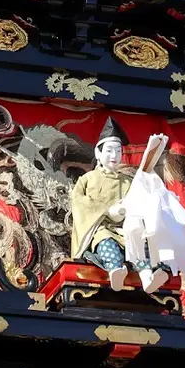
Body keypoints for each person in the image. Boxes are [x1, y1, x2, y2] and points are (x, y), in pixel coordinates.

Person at [119, 133, 185, 293]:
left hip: (157, 232)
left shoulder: (160, 194)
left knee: (163, 254)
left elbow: (145, 171)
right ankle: (148, 278)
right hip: (139, 232)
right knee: (140, 255)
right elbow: (142, 172)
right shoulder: (135, 188)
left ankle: (160, 274)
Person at [70, 117, 133, 290]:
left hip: (125, 231)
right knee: (106, 242)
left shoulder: (128, 181)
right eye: (109, 151)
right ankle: (115, 270)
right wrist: (106, 211)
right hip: (98, 229)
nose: (114, 156)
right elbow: (78, 201)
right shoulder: (87, 179)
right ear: (98, 153)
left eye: (118, 151)